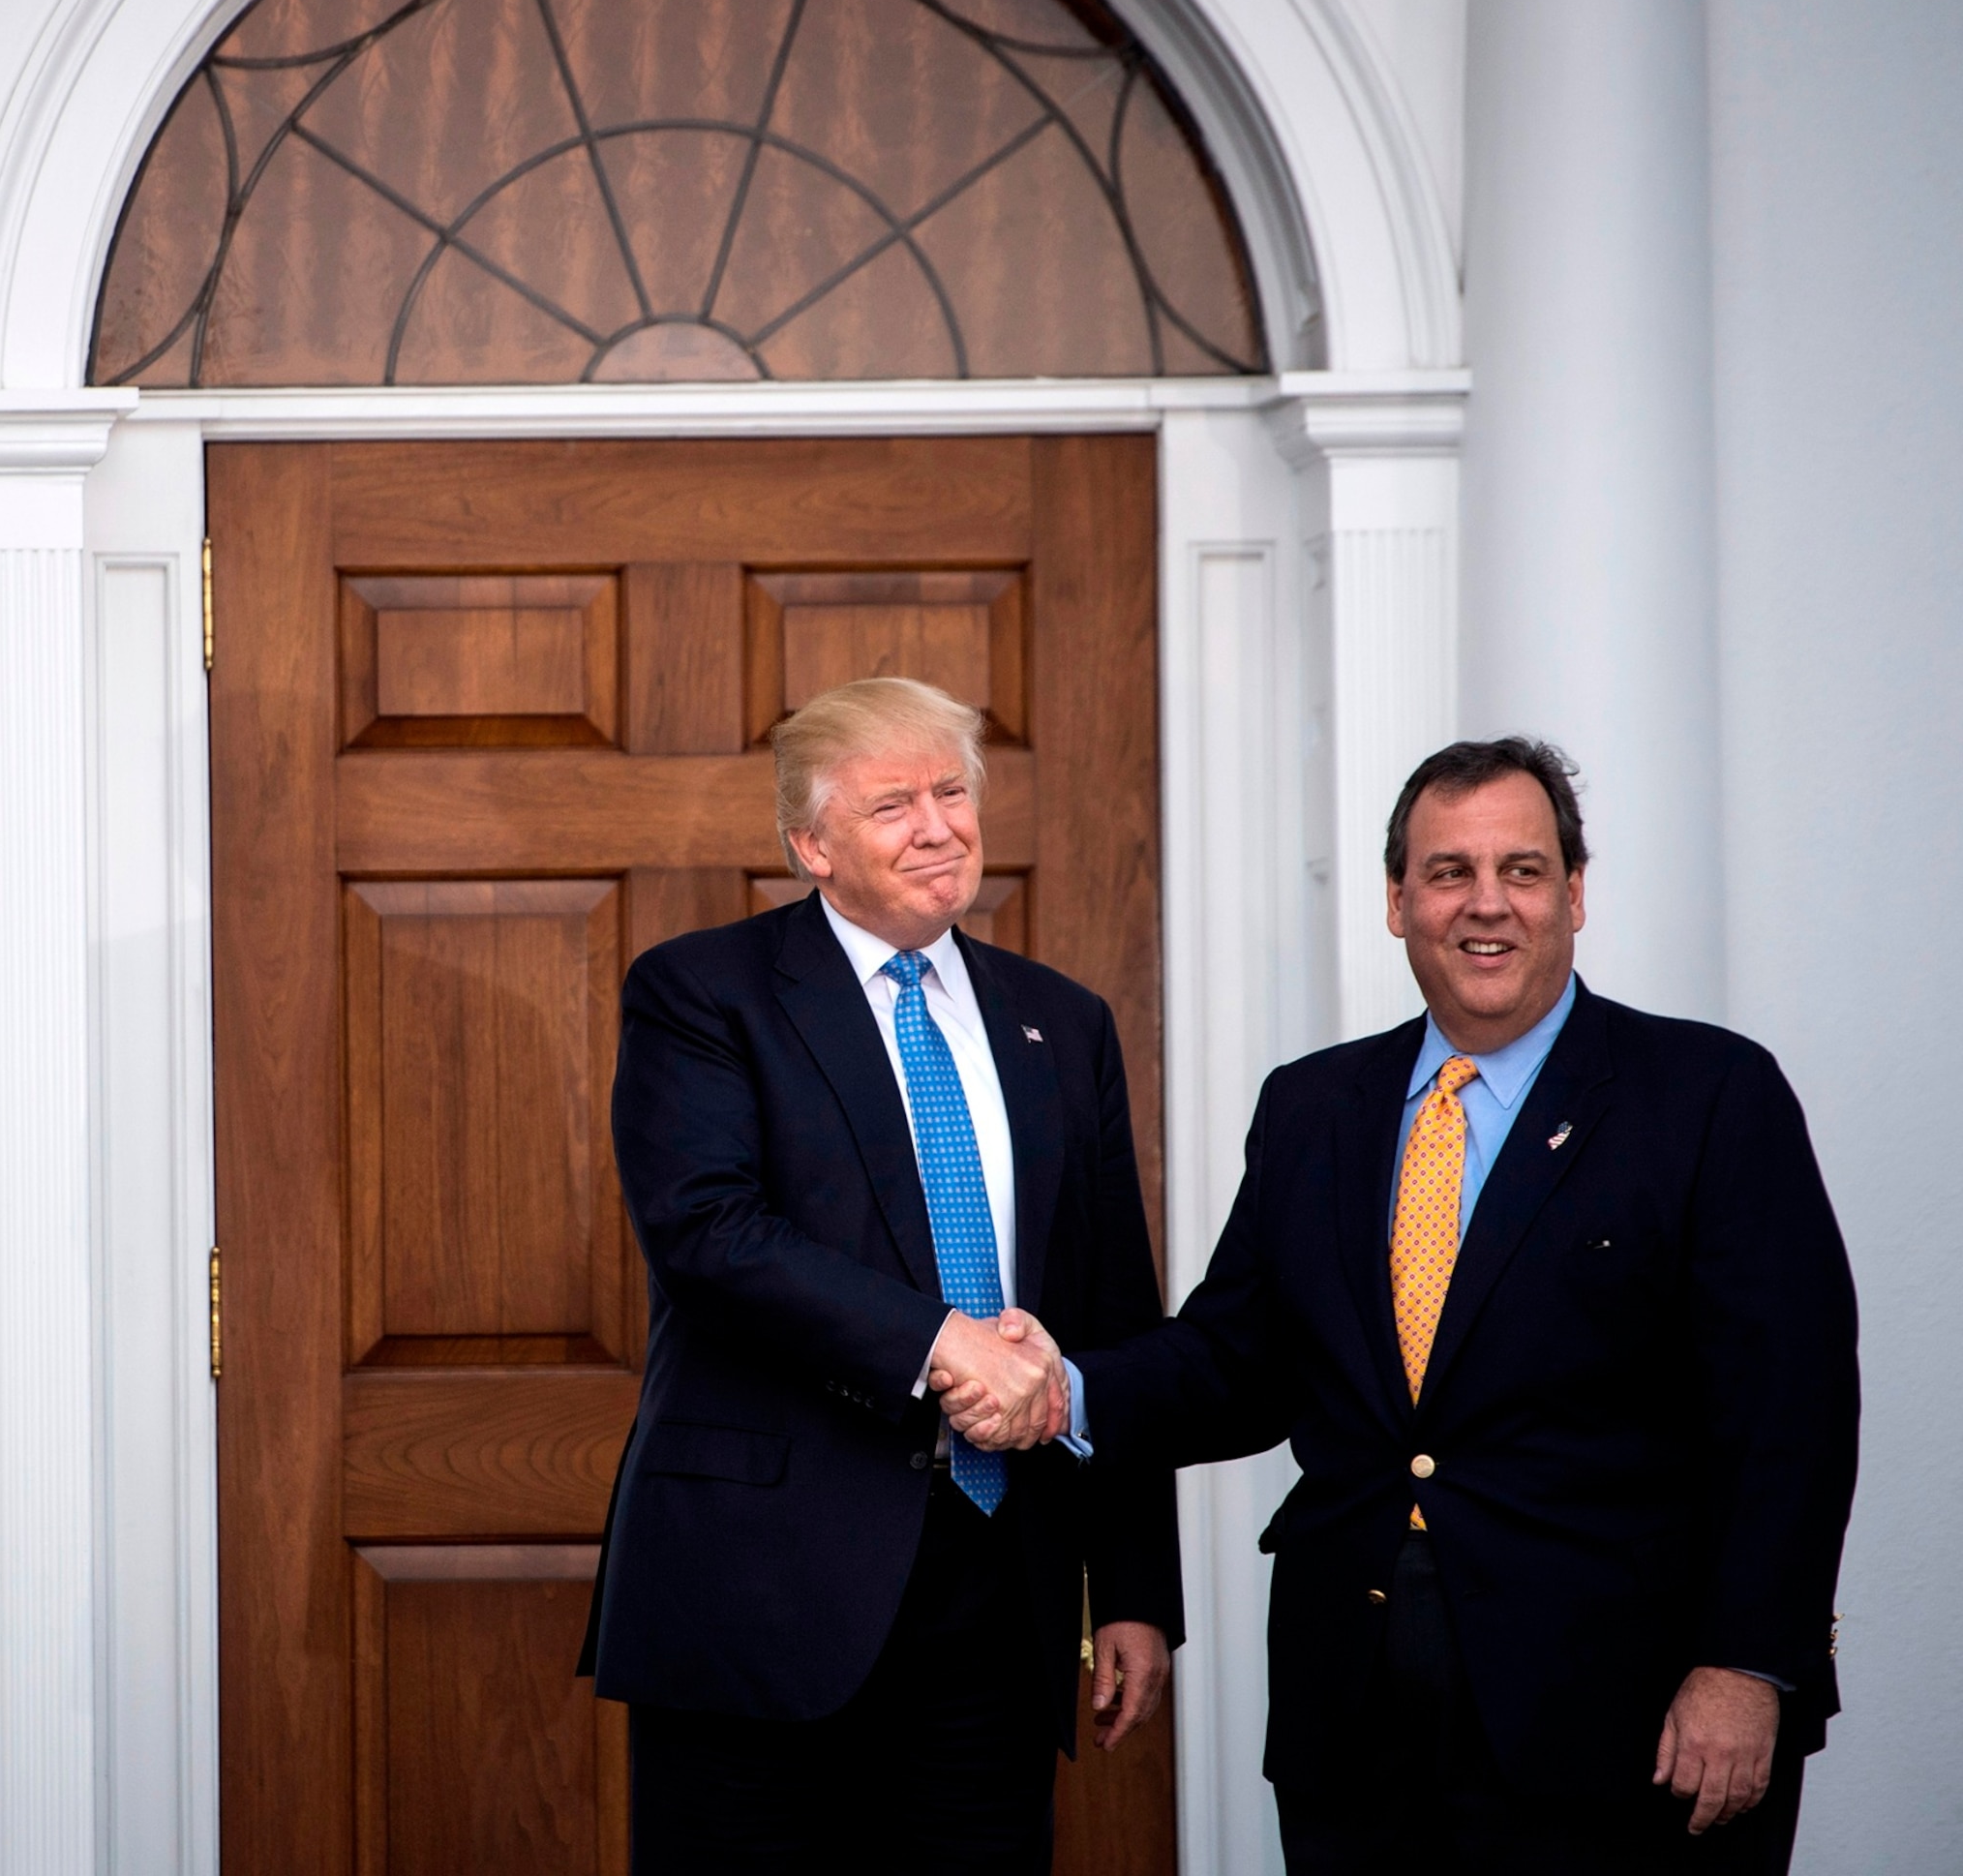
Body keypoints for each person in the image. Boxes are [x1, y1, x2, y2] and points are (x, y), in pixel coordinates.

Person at [974, 739, 1857, 1873]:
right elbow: (1236, 1359)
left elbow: (1793, 1412)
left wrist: (1748, 1662)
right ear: (1397, 901)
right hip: (1359, 1710)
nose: (1486, 903)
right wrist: (1068, 1388)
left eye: (1524, 870)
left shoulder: (1708, 1095)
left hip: (1626, 1718)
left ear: (1576, 894)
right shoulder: (1312, 1106)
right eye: (1448, 871)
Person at [583, 676, 1178, 1873]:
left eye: (952, 790)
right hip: (763, 1594)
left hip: (998, 1598)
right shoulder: (706, 992)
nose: (938, 825)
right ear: (811, 843)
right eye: (894, 802)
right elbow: (710, 1234)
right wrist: (941, 1340)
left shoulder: (1061, 1019)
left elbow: (1115, 1308)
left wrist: (1134, 1586)